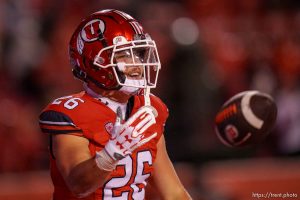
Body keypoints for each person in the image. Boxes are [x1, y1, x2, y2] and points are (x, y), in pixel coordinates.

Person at [39, 9, 192, 200]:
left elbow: (174, 193)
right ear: (96, 62)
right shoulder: (70, 113)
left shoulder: (148, 107)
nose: (137, 64)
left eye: (139, 53)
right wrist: (112, 152)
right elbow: (78, 185)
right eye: (124, 55)